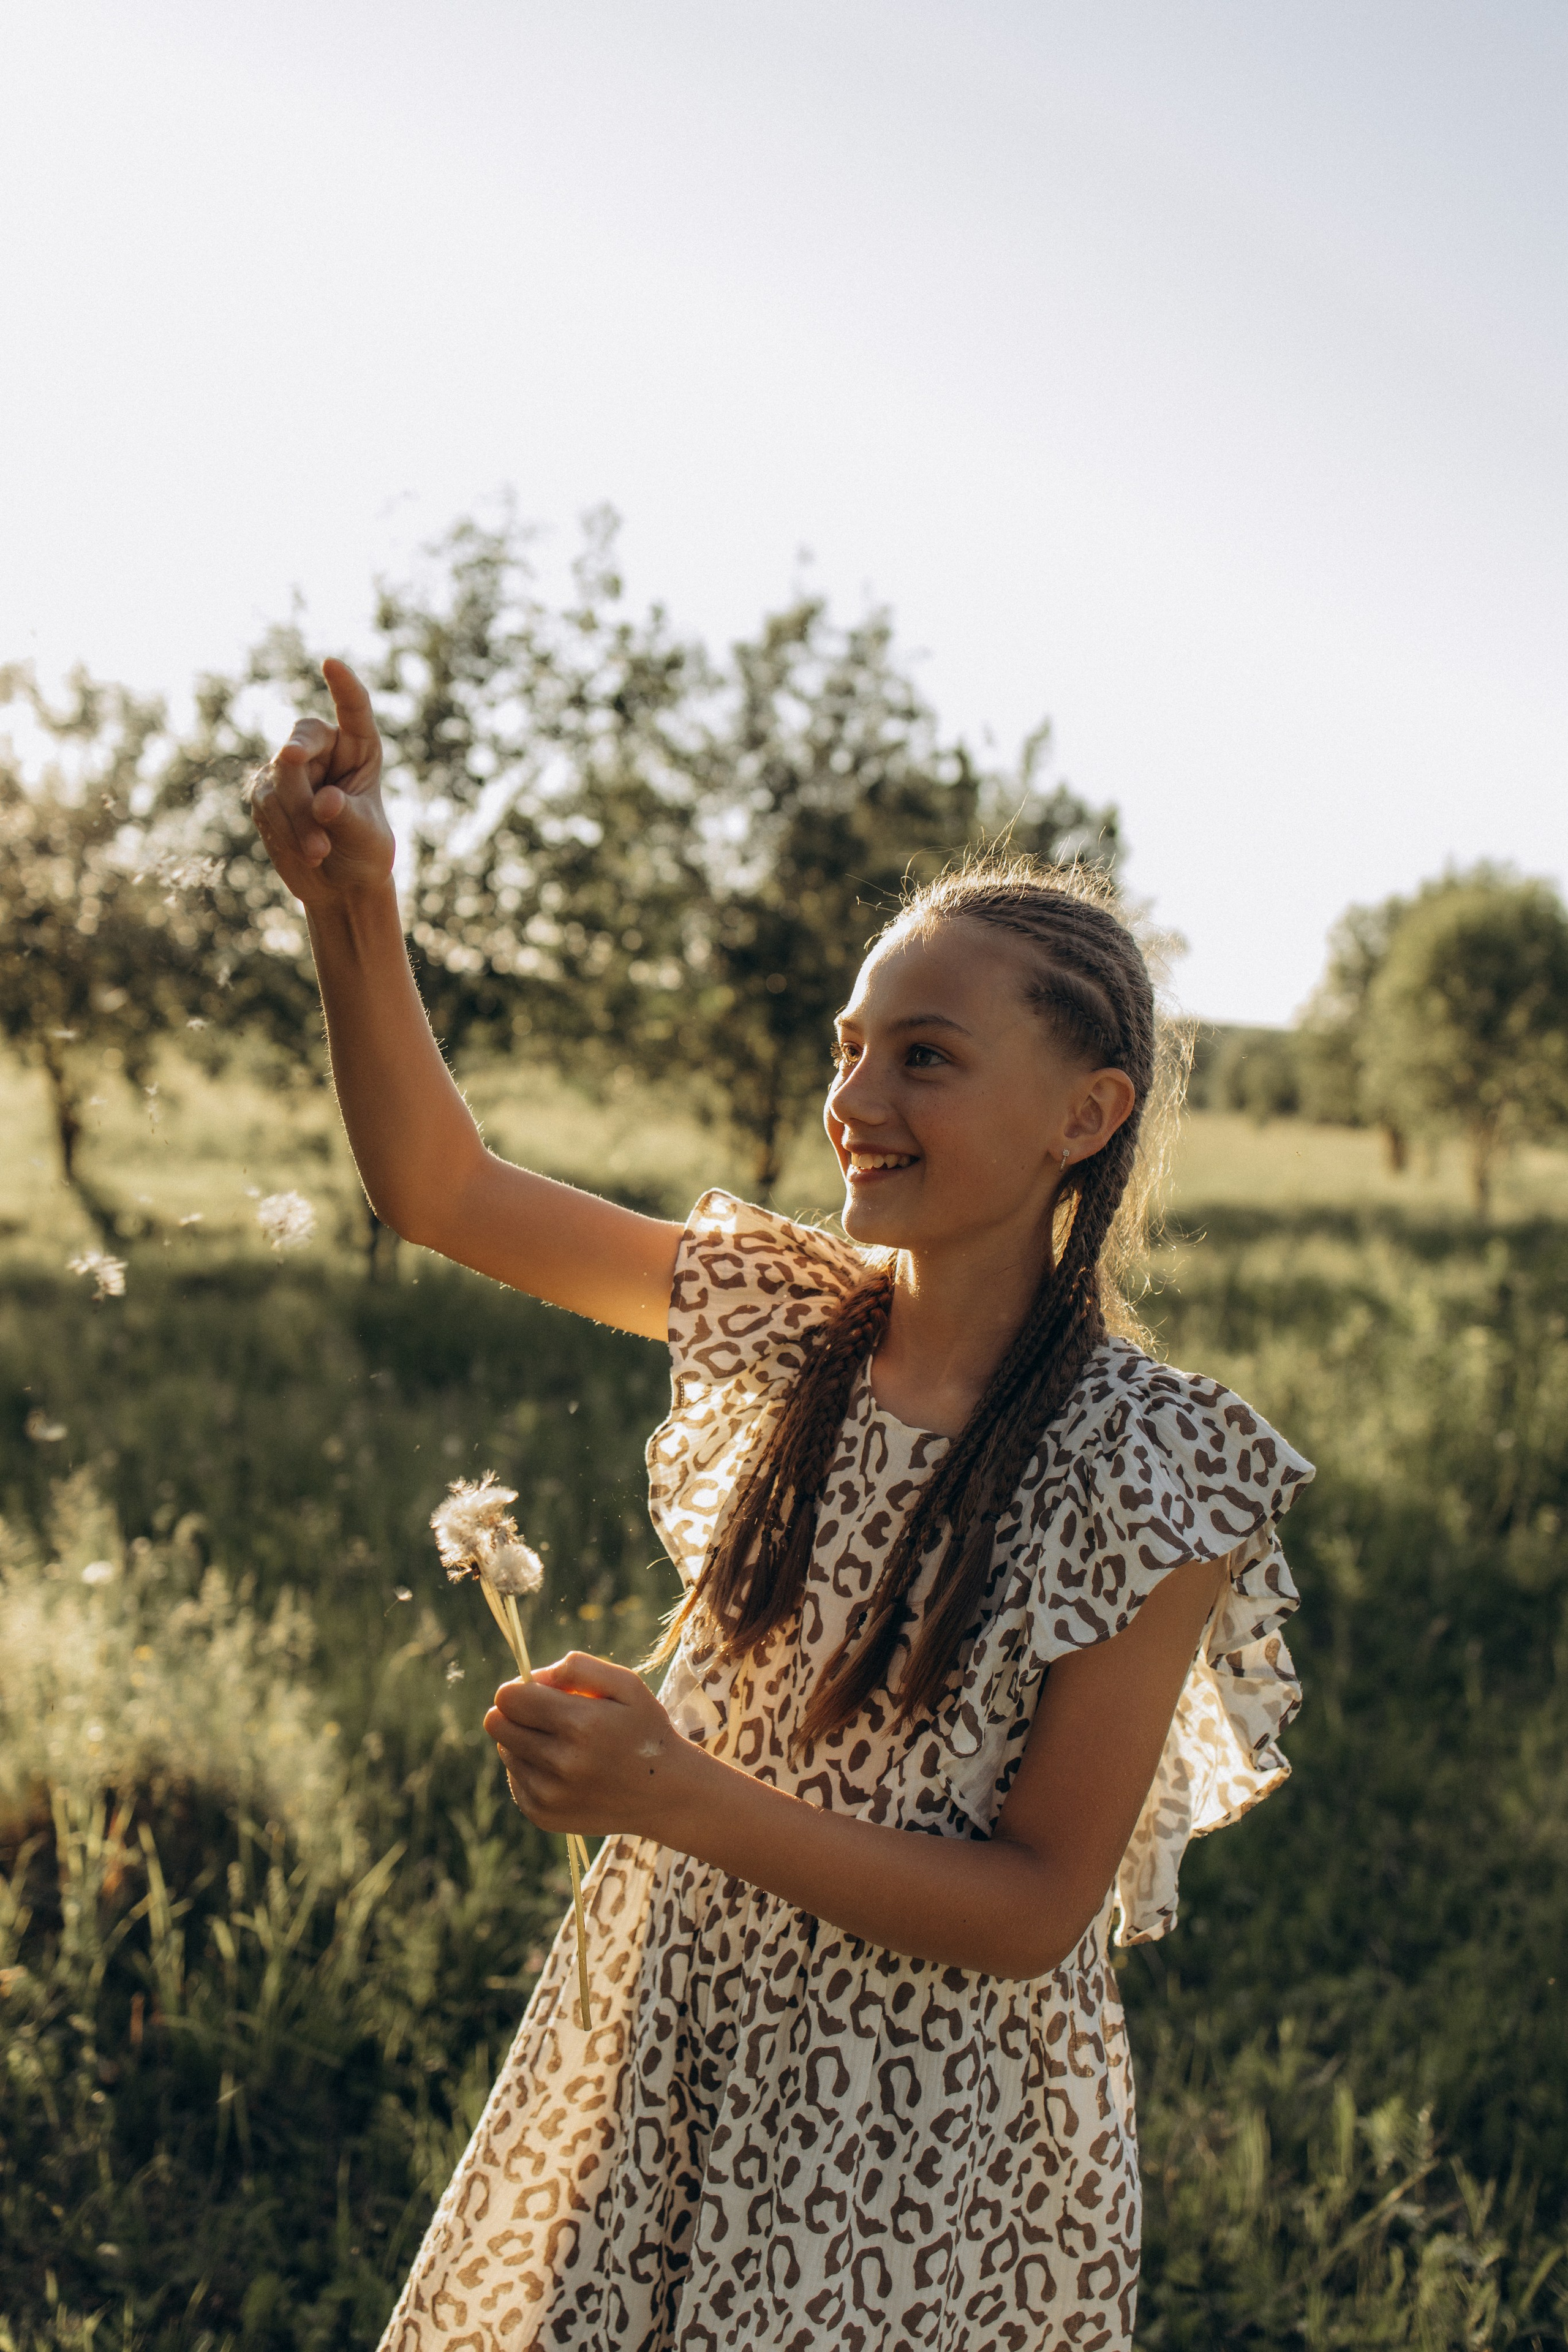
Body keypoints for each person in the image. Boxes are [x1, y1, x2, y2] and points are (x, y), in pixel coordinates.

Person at [250, 662, 1311, 2352]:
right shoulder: (783, 1313)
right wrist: (356, 908)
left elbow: (1038, 1907)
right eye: (852, 1047)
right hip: (686, 2022)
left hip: (928, 2136)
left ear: (1086, 1117)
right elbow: (440, 1189)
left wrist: (679, 1792)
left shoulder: (1150, 1468)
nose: (857, 1099)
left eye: (929, 1057)